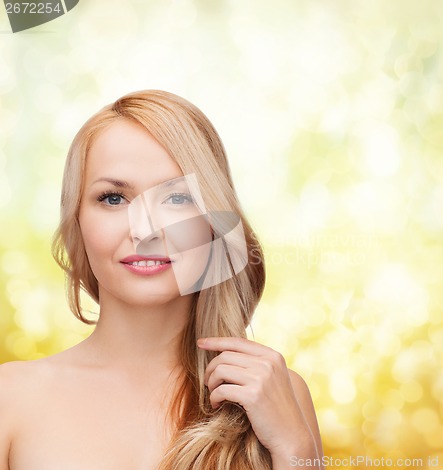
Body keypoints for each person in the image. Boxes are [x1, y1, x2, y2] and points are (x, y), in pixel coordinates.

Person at [0, 90, 323, 469]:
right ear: (78, 221)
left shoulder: (277, 392)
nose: (146, 231)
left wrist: (295, 448)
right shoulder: (12, 397)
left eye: (176, 199)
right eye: (114, 199)